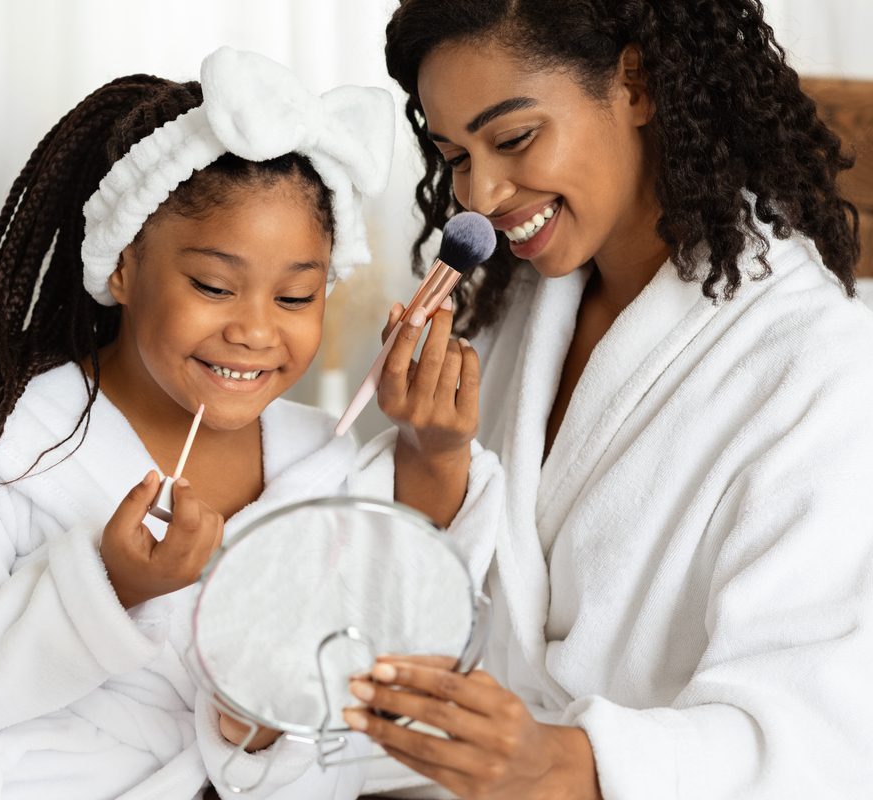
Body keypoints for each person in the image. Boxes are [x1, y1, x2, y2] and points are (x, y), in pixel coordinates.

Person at [0, 46, 501, 800]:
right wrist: (107, 588)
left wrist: (260, 721)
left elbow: (397, 652)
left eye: (296, 297)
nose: (255, 331)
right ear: (122, 267)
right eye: (214, 286)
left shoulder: (317, 461)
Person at [341, 2, 873, 799]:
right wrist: (430, 457)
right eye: (455, 157)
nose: (482, 194)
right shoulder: (501, 318)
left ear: (635, 86)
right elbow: (396, 609)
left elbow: (821, 737)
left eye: (514, 138)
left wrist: (567, 764)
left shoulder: (821, 369)